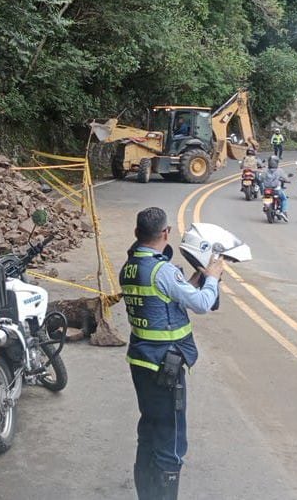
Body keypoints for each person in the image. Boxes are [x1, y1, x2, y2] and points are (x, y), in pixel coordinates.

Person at [122, 207, 223, 500]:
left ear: (136, 233)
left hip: (140, 362)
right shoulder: (162, 270)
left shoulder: (130, 267)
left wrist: (190, 281)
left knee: (149, 431)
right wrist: (213, 277)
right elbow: (203, 303)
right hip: (164, 367)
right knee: (171, 441)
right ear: (165, 234)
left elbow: (164, 299)